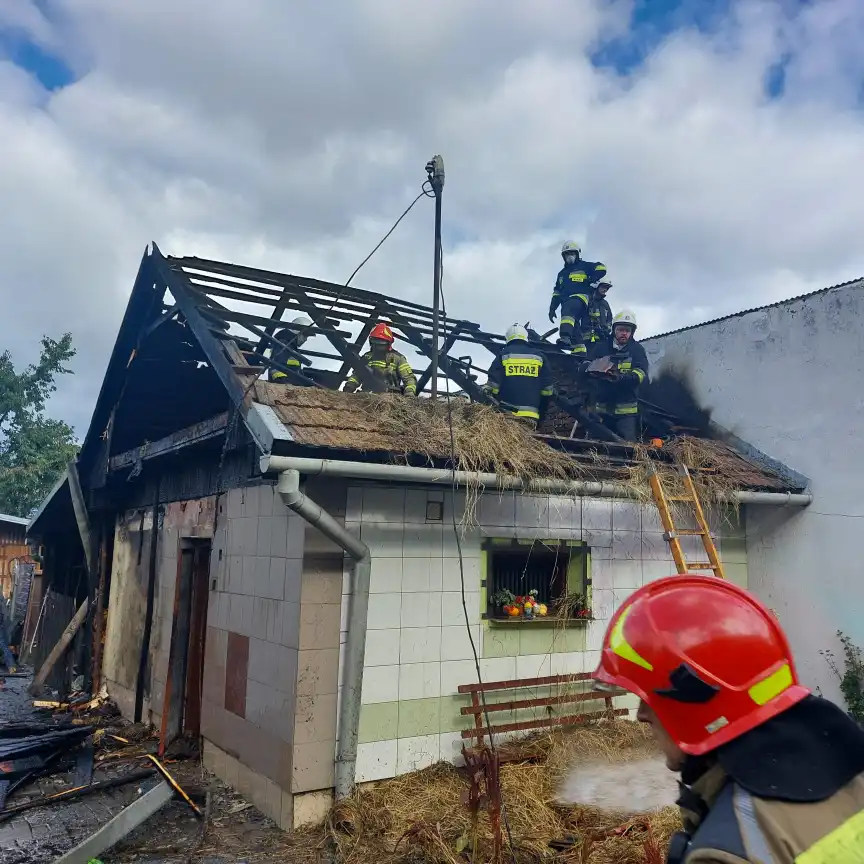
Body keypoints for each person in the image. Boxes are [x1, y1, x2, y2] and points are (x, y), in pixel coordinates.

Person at [592, 575, 864, 864]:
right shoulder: (851, 766)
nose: (641, 715)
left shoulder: (723, 852)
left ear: (694, 699)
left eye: (647, 698)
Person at [585, 308, 648, 440]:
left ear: (632, 332)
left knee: (627, 448)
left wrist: (621, 378)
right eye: (621, 329)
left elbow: (641, 374)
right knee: (597, 446)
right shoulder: (601, 347)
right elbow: (585, 366)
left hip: (626, 414)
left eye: (627, 330)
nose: (624, 333)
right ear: (614, 330)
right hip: (602, 410)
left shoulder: (637, 350)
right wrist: (592, 371)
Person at [484, 324, 554, 429]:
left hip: (507, 415)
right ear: (525, 338)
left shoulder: (503, 355)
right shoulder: (539, 356)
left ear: (508, 338)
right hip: (531, 416)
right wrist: (542, 413)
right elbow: (547, 391)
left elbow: (493, 387)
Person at [548, 241, 608, 356]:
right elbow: (557, 292)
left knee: (569, 309)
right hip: (567, 303)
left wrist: (592, 278)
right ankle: (579, 353)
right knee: (573, 325)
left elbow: (602, 268)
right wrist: (552, 309)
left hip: (581, 298)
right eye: (567, 254)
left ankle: (565, 336)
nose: (569, 256)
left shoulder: (585, 266)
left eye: (572, 253)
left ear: (577, 254)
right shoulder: (561, 274)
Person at [344, 322, 417, 396]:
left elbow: (409, 378)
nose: (378, 347)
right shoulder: (367, 357)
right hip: (366, 395)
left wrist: (409, 393)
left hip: (390, 397)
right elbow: (357, 374)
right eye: (375, 344)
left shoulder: (397, 358)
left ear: (389, 343)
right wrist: (350, 385)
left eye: (381, 345)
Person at [269, 314, 314, 383]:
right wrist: (283, 382)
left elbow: (295, 371)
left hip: (290, 384)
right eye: (305, 336)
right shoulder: (282, 345)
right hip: (283, 385)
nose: (305, 340)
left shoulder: (292, 348)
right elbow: (276, 368)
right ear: (297, 332)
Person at [582, 280, 614, 349]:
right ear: (596, 286)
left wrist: (606, 330)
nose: (605, 290)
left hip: (602, 339)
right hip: (586, 339)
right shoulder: (587, 300)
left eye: (607, 288)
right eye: (603, 287)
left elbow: (609, 320)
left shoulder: (605, 304)